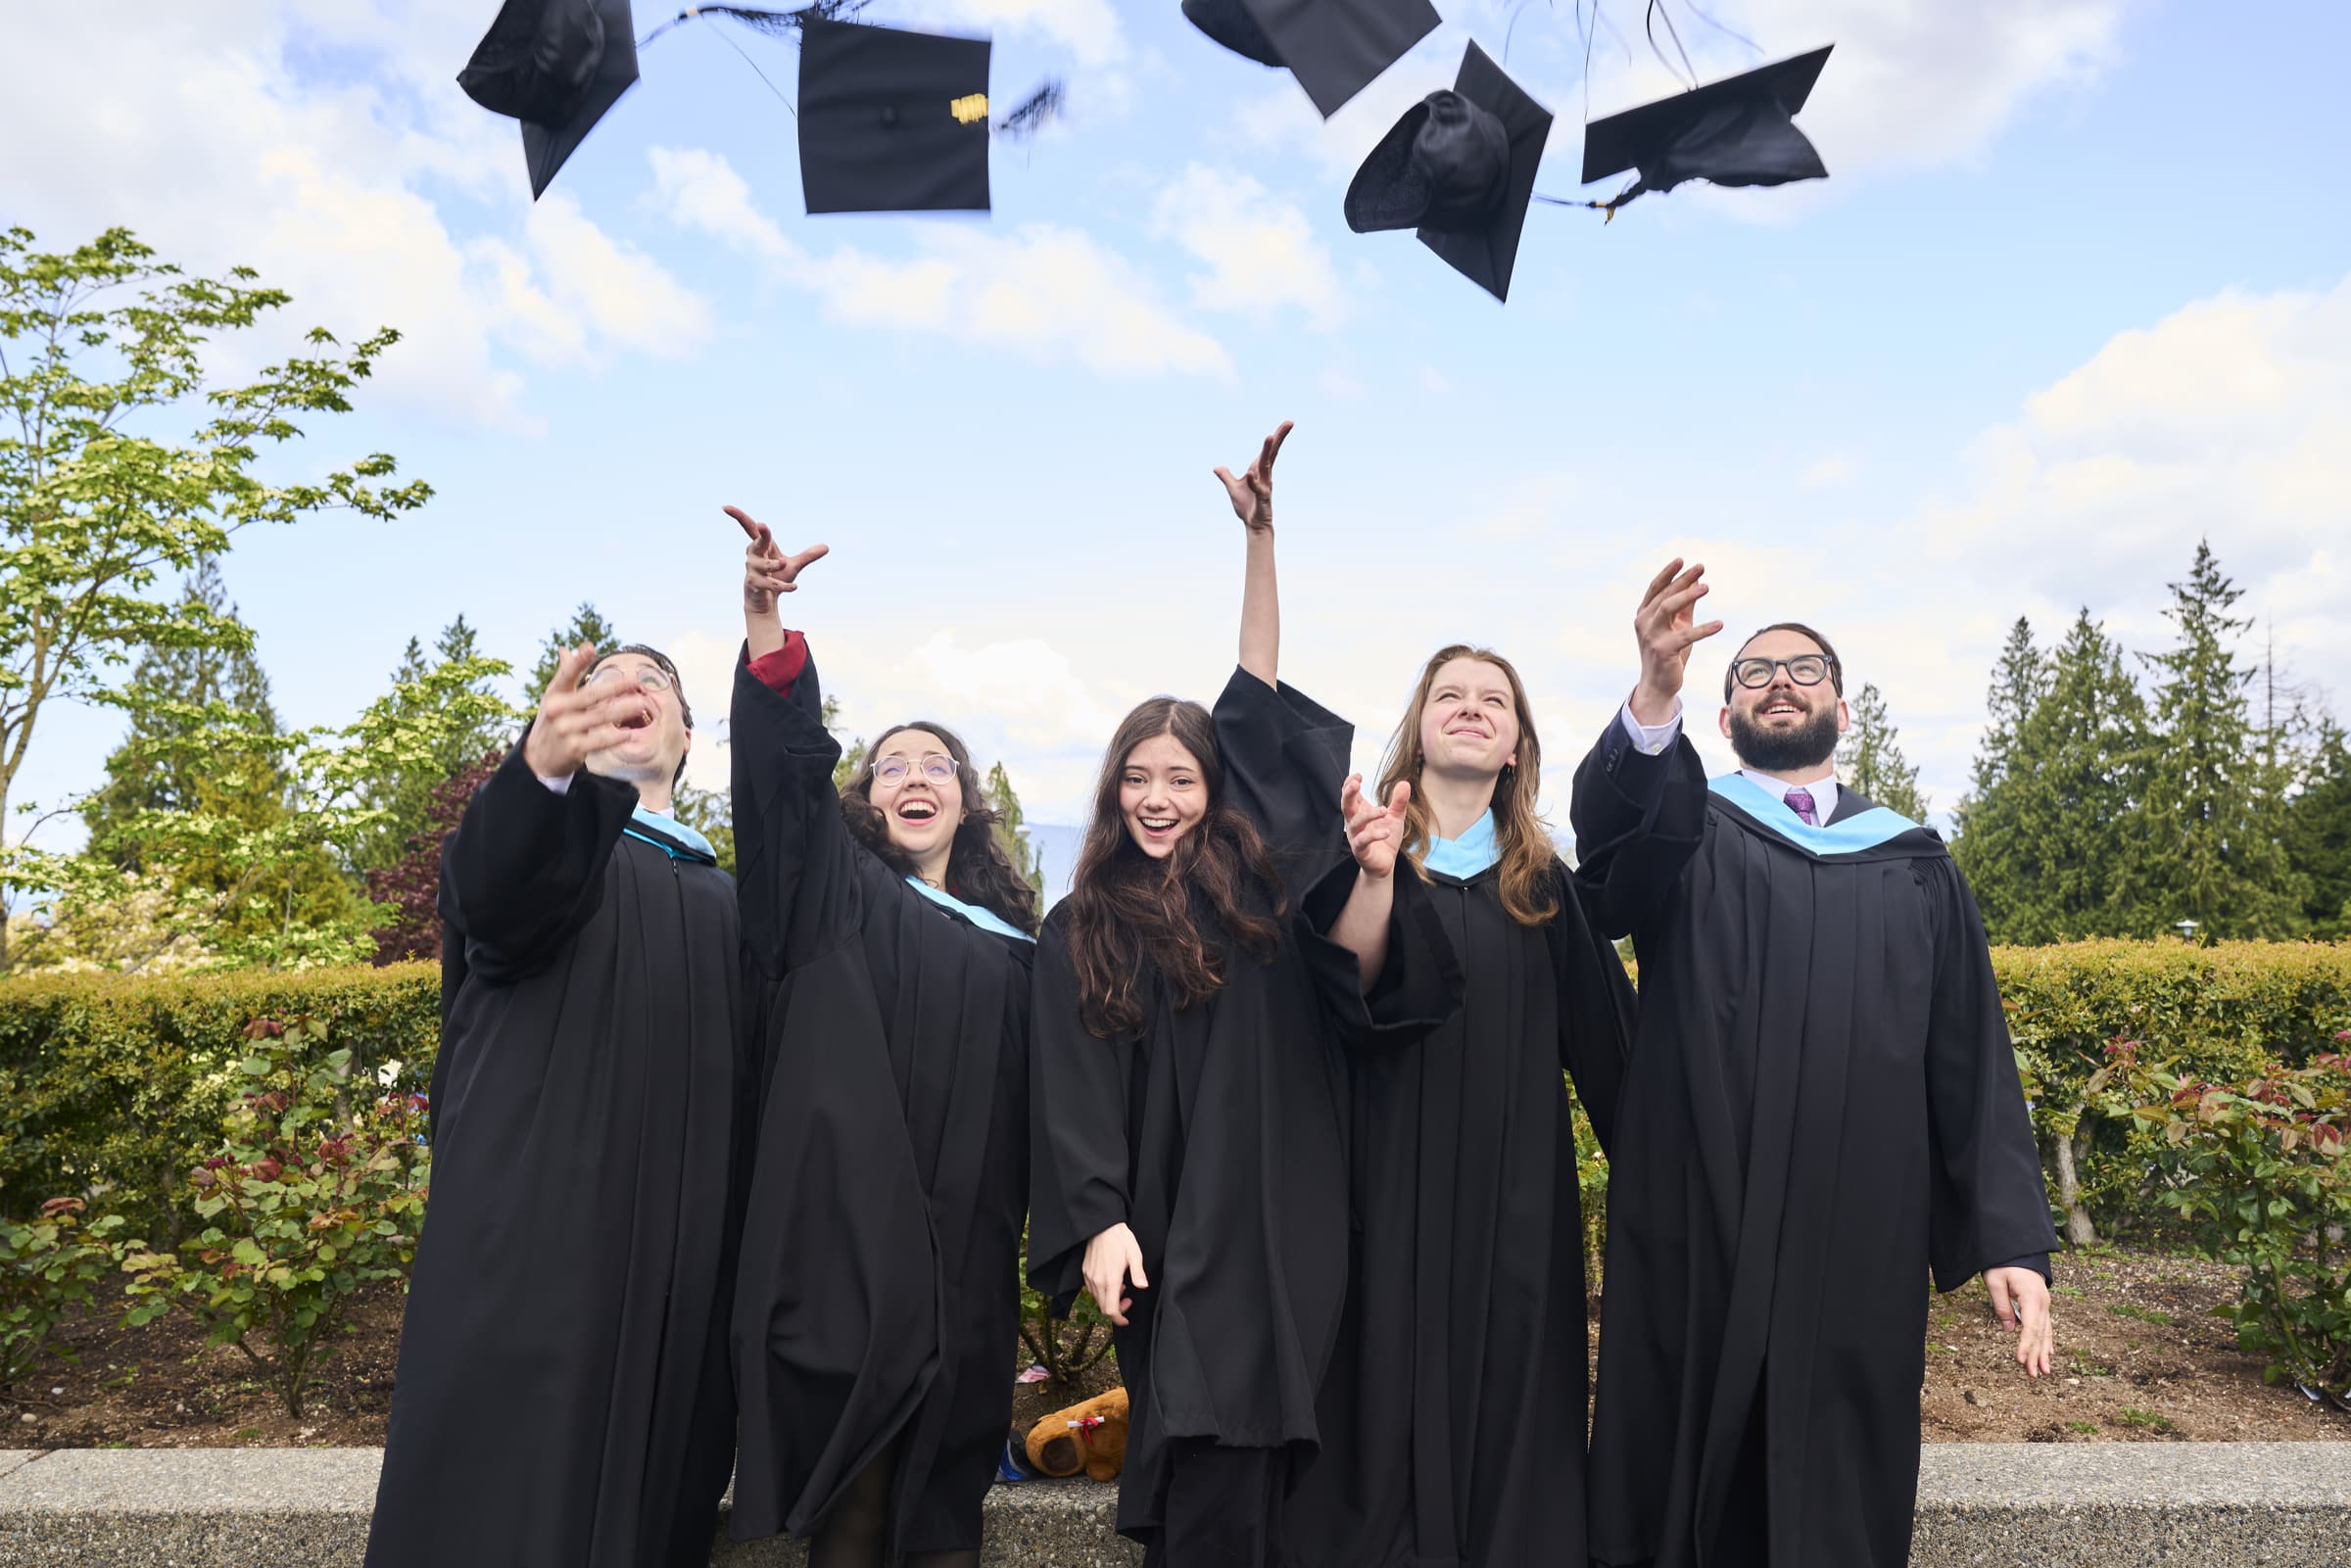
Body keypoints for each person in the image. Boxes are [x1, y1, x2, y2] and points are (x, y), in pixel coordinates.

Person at [1572, 561, 2060, 1568]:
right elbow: (1607, 865)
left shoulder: (1916, 862)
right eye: (1755, 671)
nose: (1780, 681)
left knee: (1839, 1459)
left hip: (1858, 1226)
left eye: (1804, 667)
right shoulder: (1684, 832)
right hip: (1699, 1212)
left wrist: (2013, 1236)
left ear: (1841, 702)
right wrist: (1651, 694)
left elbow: (1970, 1055)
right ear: (1724, 707)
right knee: (1679, 1449)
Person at [1028, 422, 1453, 1568]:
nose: (1159, 797)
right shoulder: (1082, 926)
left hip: (1288, 1220)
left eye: (1183, 777)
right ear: (1113, 792)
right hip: (1168, 1235)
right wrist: (1099, 1217)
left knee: (1273, 1462)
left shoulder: (1258, 899)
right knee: (1204, 1444)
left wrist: (1262, 541)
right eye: (1138, 777)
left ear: (1217, 794)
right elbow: (1068, 1088)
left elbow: (1256, 702)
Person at [368, 642, 744, 1568]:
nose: (631, 691)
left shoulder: (734, 904)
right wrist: (541, 773)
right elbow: (492, 896)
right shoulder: (546, 849)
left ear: (687, 736)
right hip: (534, 1243)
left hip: (677, 1267)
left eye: (655, 682)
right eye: (605, 680)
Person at [722, 507, 1039, 1568]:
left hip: (970, 1258)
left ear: (968, 802)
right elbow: (779, 787)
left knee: (947, 1485)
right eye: (890, 764)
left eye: (936, 764)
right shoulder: (838, 896)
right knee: (859, 1488)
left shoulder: (1019, 946)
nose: (913, 775)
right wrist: (767, 624)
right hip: (853, 1250)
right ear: (861, 800)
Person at [1283, 642, 1636, 1568]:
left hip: (1516, 1202)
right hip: (1382, 1183)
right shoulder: (1369, 851)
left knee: (1516, 1388)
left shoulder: (1544, 888)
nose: (1471, 707)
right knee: (1377, 1381)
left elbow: (1614, 1058)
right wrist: (1373, 876)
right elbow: (1346, 991)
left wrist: (1680, 1182)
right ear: (1419, 728)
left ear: (1516, 746)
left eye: (1494, 700)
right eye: (1449, 694)